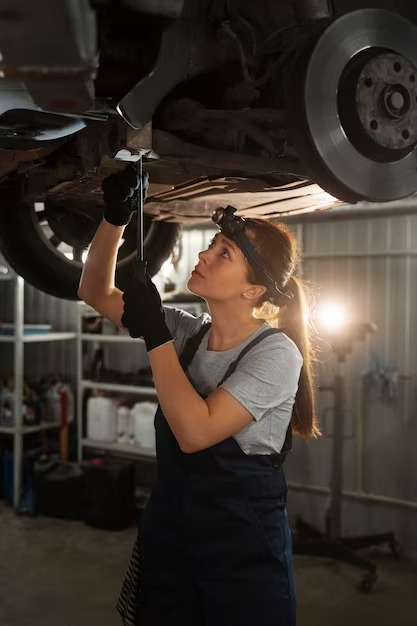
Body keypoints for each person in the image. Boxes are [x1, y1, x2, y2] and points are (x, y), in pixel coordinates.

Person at [78, 165, 320, 626]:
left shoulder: (276, 354)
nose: (205, 255)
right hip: (171, 543)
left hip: (241, 560)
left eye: (224, 252)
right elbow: (93, 291)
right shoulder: (188, 334)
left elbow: (194, 432)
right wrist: (115, 219)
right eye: (212, 244)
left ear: (253, 289)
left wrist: (154, 337)